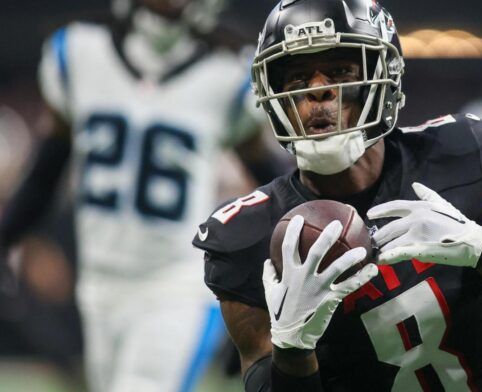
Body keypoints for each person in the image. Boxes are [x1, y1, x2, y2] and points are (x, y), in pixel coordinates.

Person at [193, 1, 482, 390]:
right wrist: (293, 346)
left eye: (340, 72)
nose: (319, 93)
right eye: (298, 81)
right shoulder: (247, 234)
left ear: (384, 78)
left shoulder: (458, 157)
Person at [0, 0, 286, 390]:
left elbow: (272, 180)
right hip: (97, 288)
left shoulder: (228, 73)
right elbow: (45, 172)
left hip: (178, 286)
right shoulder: (79, 52)